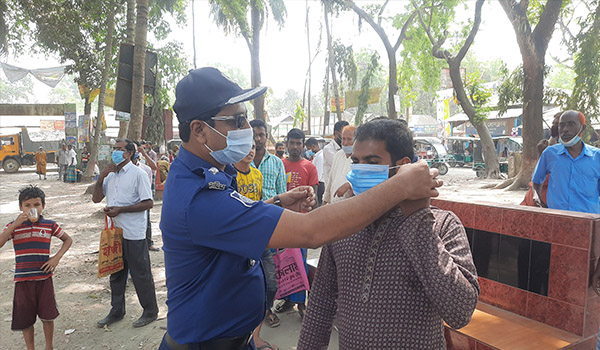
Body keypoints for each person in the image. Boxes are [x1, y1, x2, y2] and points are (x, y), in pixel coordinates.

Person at [158, 67, 441, 350]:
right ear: (199, 130)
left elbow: (231, 221)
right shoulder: (199, 195)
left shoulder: (211, 177)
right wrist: (400, 187)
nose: (249, 131)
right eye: (237, 120)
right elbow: (312, 231)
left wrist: (279, 202)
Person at [297, 118, 479, 350]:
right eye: (356, 162)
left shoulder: (443, 225)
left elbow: (460, 312)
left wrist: (418, 219)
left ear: (403, 167)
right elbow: (320, 305)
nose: (361, 170)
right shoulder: (343, 223)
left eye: (372, 162)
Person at [92, 139, 159, 328]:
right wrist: (100, 178)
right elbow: (97, 199)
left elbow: (148, 203)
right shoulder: (110, 176)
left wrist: (121, 209)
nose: (115, 152)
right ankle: (117, 310)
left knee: (140, 273)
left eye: (119, 149)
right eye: (113, 148)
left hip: (134, 232)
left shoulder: (139, 174)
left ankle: (150, 311)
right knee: (116, 272)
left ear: (129, 153)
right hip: (114, 232)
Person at [0, 185, 73, 350]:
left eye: (36, 205)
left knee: (48, 316)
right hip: (23, 281)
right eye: (27, 205)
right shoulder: (14, 226)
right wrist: (13, 226)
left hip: (44, 279)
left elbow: (68, 240)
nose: (32, 209)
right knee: (25, 319)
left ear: (43, 206)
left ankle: (49, 346)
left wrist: (56, 258)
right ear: (20, 207)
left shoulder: (49, 225)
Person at [233, 143, 278, 350]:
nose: (251, 150)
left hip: (260, 239)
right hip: (238, 245)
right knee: (242, 291)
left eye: (253, 147)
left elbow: (258, 207)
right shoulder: (229, 176)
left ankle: (255, 334)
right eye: (245, 146)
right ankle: (247, 338)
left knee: (270, 286)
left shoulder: (257, 175)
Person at [249, 119, 287, 330]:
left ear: (266, 136)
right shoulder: (238, 163)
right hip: (245, 228)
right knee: (247, 276)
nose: (257, 138)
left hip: (270, 227)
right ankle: (252, 318)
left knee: (271, 281)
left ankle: (266, 309)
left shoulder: (276, 163)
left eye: (261, 134)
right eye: (253, 134)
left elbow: (282, 197)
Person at [277, 128, 319, 319]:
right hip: (281, 220)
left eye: (298, 143)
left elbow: (315, 197)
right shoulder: (279, 164)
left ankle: (301, 302)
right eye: (291, 143)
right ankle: (286, 298)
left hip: (302, 222)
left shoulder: (309, 167)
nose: (294, 147)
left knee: (300, 262)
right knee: (283, 262)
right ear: (286, 144)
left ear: (303, 145)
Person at [532, 110, 600, 213]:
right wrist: (536, 197)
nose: (565, 129)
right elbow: (537, 181)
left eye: (571, 124)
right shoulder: (550, 154)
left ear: (583, 128)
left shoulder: (596, 156)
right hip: (557, 219)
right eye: (561, 125)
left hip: (587, 220)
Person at [323, 125, 356, 205]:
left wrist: (349, 185)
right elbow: (331, 180)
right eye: (343, 139)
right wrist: (325, 201)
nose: (345, 143)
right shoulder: (338, 155)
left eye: (349, 139)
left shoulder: (361, 158)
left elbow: (362, 179)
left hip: (350, 204)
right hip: (333, 203)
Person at [322, 120, 349, 190]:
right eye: (344, 134)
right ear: (336, 133)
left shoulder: (348, 149)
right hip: (332, 188)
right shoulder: (328, 149)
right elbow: (341, 165)